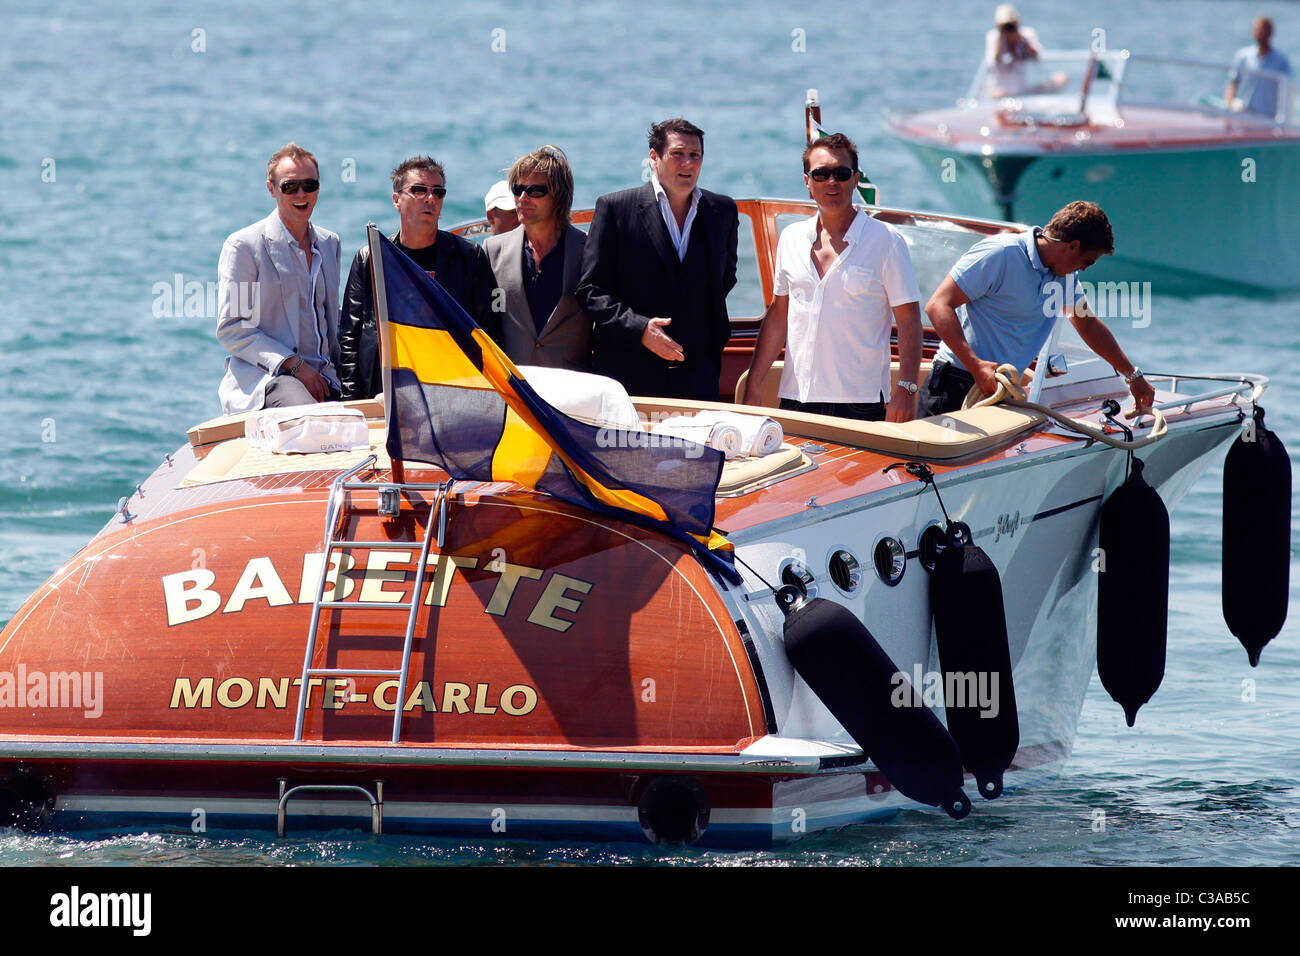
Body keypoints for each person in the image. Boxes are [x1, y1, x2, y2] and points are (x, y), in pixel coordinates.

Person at [742, 133, 923, 423]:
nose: (831, 182)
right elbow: (778, 316)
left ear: (855, 179)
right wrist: (753, 384)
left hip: (861, 403)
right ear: (807, 182)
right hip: (797, 398)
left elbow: (909, 320)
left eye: (841, 173)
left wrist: (906, 390)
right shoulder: (790, 239)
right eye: (821, 174)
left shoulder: (887, 240)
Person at [919, 200, 1155, 418]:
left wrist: (1132, 375)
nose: (1084, 269)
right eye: (1088, 261)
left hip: (1001, 389)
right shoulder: (1002, 253)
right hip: (954, 383)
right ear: (1073, 246)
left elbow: (1087, 324)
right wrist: (976, 365)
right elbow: (938, 305)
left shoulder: (1066, 276)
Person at [577, 118, 739, 401]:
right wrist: (640, 329)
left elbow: (725, 278)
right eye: (677, 154)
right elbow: (590, 291)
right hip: (629, 374)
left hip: (698, 373)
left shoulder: (722, 211)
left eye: (695, 155)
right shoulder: (615, 209)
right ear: (654, 157)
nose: (687, 163)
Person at [338, 156, 499, 400]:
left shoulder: (468, 258)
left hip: (450, 387)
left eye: (438, 192)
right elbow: (350, 336)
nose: (430, 198)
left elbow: (489, 331)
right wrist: (352, 402)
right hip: (385, 387)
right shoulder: (370, 258)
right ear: (396, 200)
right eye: (419, 190)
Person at [216, 143, 342, 415]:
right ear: (271, 189)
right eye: (289, 186)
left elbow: (331, 320)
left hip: (327, 375)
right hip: (270, 378)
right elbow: (232, 328)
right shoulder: (243, 246)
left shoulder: (330, 243)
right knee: (313, 419)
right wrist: (296, 365)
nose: (301, 194)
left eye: (309, 185)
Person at [484, 146, 591, 371]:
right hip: (513, 388)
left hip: (573, 389)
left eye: (535, 191)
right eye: (518, 189)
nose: (523, 198)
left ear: (558, 196)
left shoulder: (588, 250)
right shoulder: (492, 251)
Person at [1225, 16, 1292, 117]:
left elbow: (1287, 92)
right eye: (1257, 29)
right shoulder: (1243, 56)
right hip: (1245, 114)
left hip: (1269, 118)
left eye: (1263, 29)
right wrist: (1230, 106)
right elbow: (1233, 83)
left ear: (1270, 32)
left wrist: (1283, 118)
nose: (1259, 33)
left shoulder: (1281, 61)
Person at [984, 4, 1043, 96]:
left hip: (1025, 89)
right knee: (998, 94)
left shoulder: (1026, 35)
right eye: (1005, 25)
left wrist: (1021, 39)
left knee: (1060, 78)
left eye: (1011, 24)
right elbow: (992, 64)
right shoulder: (994, 37)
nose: (1009, 28)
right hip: (1001, 92)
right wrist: (1000, 39)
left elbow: (1038, 58)